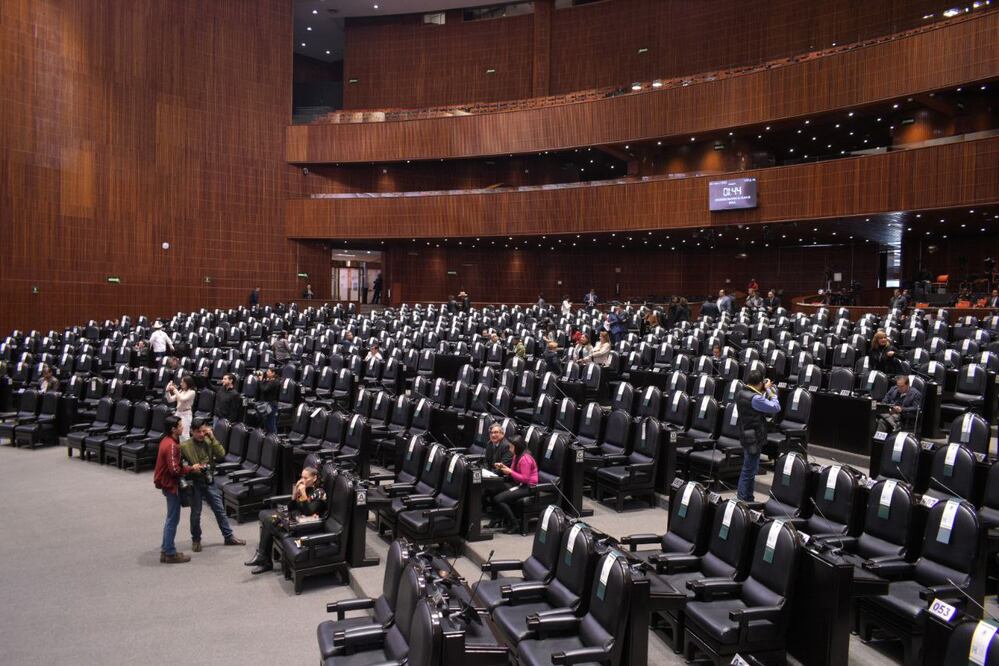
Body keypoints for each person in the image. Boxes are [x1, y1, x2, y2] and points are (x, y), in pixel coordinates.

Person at [244, 466, 327, 574]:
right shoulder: (304, 488)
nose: (302, 480)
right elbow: (291, 507)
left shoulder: (320, 493)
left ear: (314, 478)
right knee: (269, 521)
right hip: (295, 520)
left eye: (306, 478)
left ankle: (264, 559)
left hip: (306, 526)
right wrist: (294, 496)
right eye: (301, 477)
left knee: (268, 523)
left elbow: (309, 512)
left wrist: (303, 494)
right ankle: (264, 559)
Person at [180, 418, 245, 552]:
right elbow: (181, 465)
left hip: (209, 480)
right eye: (198, 432)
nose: (201, 434)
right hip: (195, 482)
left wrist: (213, 438)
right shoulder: (185, 446)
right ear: (192, 431)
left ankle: (229, 537)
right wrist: (192, 467)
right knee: (196, 514)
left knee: (220, 510)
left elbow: (221, 454)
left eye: (203, 431)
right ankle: (196, 540)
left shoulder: (209, 441)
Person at [154, 415, 200, 564]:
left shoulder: (166, 440)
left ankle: (165, 549)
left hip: (167, 484)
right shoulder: (172, 445)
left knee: (171, 518)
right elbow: (174, 470)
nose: (182, 428)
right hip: (170, 484)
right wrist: (190, 468)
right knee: (173, 519)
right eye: (180, 426)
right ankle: (170, 553)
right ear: (173, 429)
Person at [736, 369, 781, 502]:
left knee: (750, 468)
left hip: (745, 433)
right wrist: (770, 391)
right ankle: (743, 499)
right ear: (760, 382)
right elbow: (775, 407)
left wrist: (762, 390)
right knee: (749, 470)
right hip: (754, 436)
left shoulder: (741, 393)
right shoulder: (755, 399)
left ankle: (748, 498)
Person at [490, 435, 538, 533]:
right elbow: (513, 471)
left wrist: (510, 472)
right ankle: (497, 519)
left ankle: (515, 524)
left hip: (529, 487)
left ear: (518, 447)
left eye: (511, 447)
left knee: (498, 499)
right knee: (493, 489)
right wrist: (503, 467)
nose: (510, 448)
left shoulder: (525, 459)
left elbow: (525, 478)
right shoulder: (517, 455)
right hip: (519, 484)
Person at [165, 375, 196, 439]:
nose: (181, 384)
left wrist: (174, 389)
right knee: (176, 432)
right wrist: (167, 391)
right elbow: (170, 399)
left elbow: (182, 399)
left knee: (184, 434)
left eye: (182, 382)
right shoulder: (181, 391)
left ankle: (185, 448)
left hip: (186, 414)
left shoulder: (192, 392)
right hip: (178, 413)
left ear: (187, 383)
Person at [257, 368, 279, 434]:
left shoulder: (275, 381)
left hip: (271, 404)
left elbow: (264, 389)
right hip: (266, 403)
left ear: (273, 373)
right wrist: (261, 380)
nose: (267, 373)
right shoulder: (268, 380)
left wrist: (261, 381)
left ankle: (274, 439)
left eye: (268, 372)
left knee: (271, 423)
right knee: (266, 422)